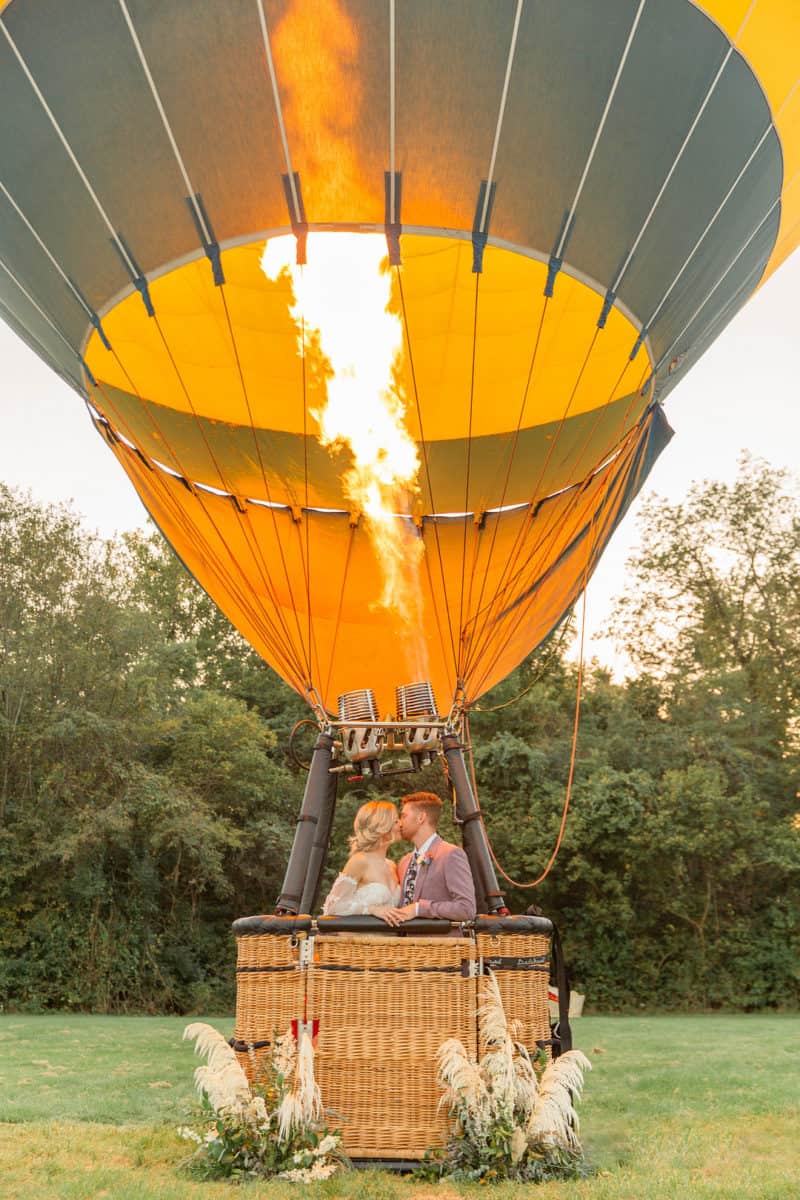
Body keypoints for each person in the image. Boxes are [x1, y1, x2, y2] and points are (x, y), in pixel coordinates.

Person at [380, 791, 476, 927]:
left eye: (404, 816)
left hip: (439, 946)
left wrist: (419, 909)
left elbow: (466, 909)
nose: (400, 823)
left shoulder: (451, 854)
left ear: (421, 818)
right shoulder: (404, 861)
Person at [321, 800, 401, 915]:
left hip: (388, 933)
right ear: (383, 825)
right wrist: (371, 910)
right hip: (359, 933)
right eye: (396, 821)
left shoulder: (391, 865)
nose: (401, 824)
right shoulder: (360, 860)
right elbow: (333, 906)